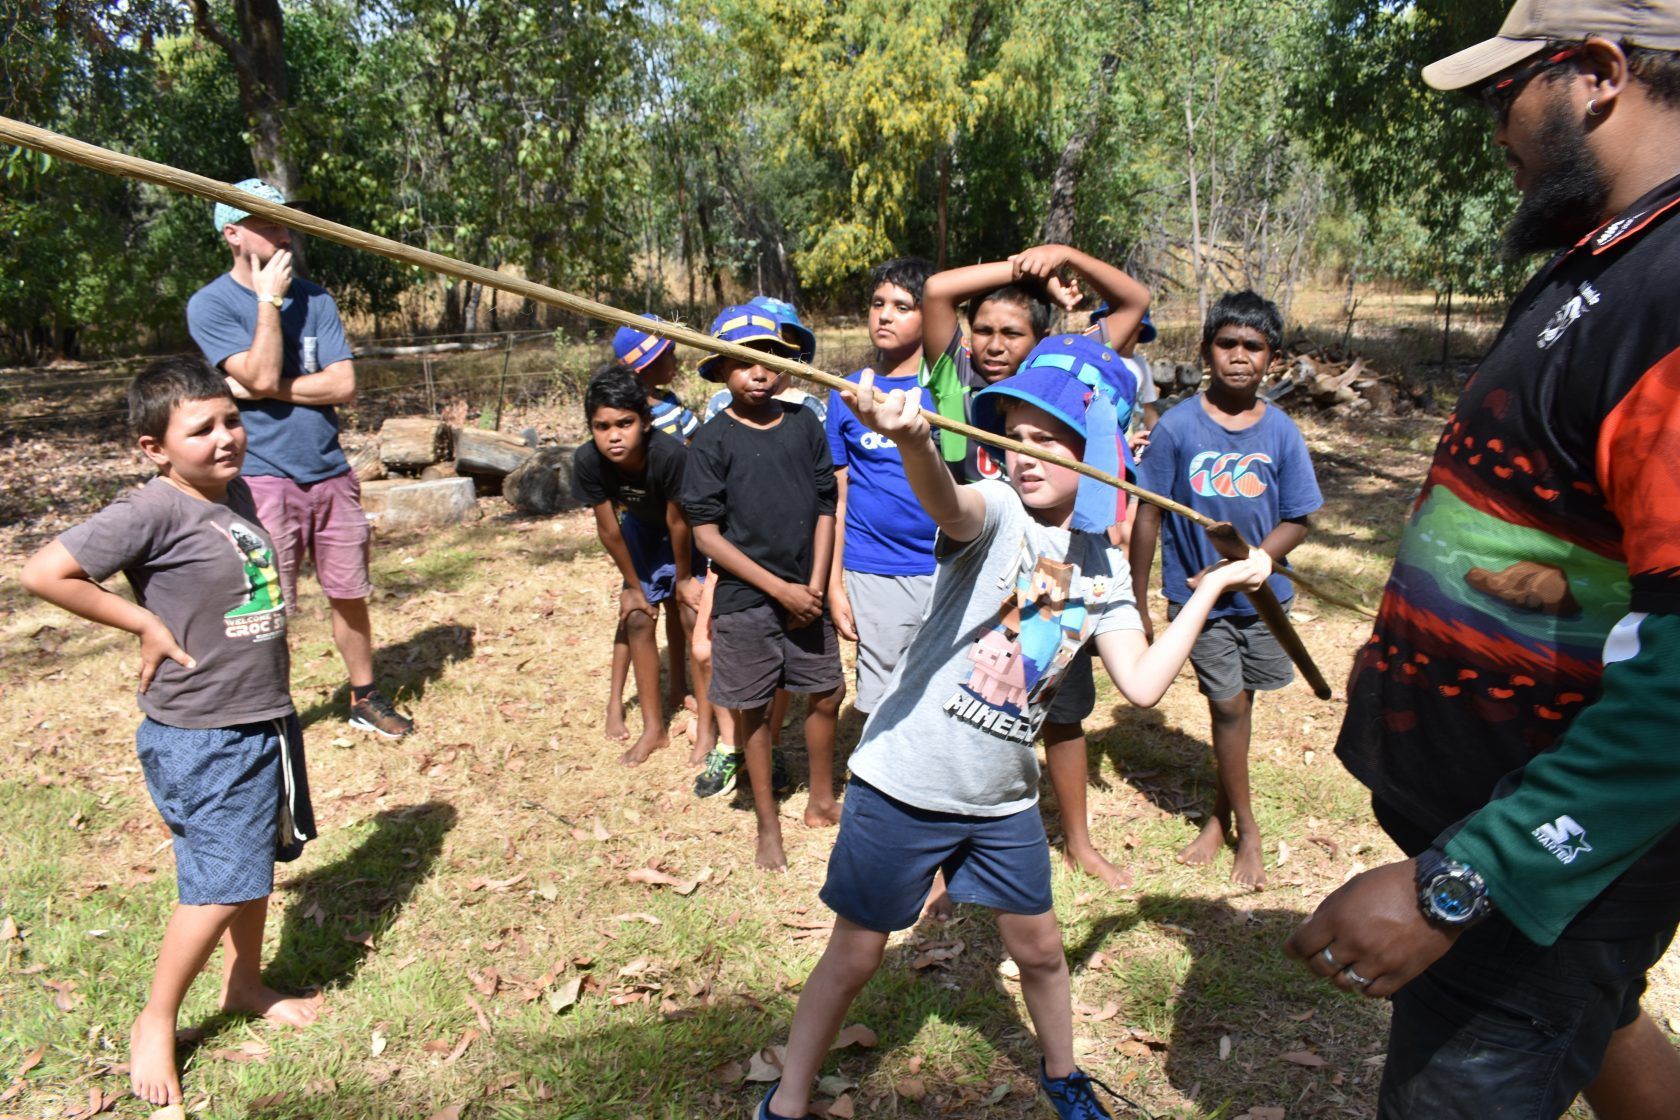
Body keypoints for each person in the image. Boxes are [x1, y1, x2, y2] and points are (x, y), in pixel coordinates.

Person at [1284, 9, 1680, 1118]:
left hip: (1534, 863)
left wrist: (1464, 881)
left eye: (1501, 94)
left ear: (1599, 74)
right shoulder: (1611, 257)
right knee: (1594, 1017)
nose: (1489, 129)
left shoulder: (1670, 293)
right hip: (1509, 834)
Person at [758, 340, 1272, 1120]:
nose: (1022, 456)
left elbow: (1140, 683)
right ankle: (788, 1098)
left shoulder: (1099, 570)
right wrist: (913, 438)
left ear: (1097, 452)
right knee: (857, 953)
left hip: (1001, 801)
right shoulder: (997, 514)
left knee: (1038, 949)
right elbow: (949, 501)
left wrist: (1219, 584)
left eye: (1047, 440)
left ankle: (1063, 1077)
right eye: (1013, 437)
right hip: (907, 782)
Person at [20, 357, 321, 1108]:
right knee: (219, 885)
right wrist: (143, 620)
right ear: (153, 448)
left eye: (231, 420)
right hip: (205, 734)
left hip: (259, 716)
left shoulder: (235, 488)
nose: (226, 438)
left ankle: (244, 984)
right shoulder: (153, 508)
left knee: (252, 862)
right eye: (201, 430)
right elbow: (44, 572)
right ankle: (155, 1020)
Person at [922, 245, 1151, 890]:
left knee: (1055, 701)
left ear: (1041, 340)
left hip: (1054, 563)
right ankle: (941, 859)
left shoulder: (1067, 375)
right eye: (984, 331)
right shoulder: (961, 374)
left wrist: (1067, 258)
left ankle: (1076, 840)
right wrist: (1017, 268)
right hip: (979, 555)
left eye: (1012, 332)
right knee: (965, 700)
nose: (995, 344)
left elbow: (1133, 304)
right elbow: (939, 289)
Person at [185, 179, 412, 738]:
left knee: (349, 591)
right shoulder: (211, 304)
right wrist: (266, 303)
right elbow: (259, 371)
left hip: (330, 471)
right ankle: (266, 710)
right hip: (261, 476)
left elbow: (343, 385)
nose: (284, 230)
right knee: (264, 608)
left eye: (285, 218)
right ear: (232, 233)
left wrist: (260, 389)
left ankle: (364, 696)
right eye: (268, 221)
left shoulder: (316, 298)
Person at [1130, 290, 1321, 890]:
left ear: (1273, 358)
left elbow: (1299, 516)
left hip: (1264, 601)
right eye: (1227, 343)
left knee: (1242, 710)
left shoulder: (1282, 433)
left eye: (1253, 346)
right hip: (1200, 603)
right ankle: (1246, 828)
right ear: (1207, 350)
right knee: (1228, 705)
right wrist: (1137, 599)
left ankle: (1216, 813)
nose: (1240, 356)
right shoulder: (1178, 428)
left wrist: (1264, 558)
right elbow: (1148, 516)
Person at [681, 305, 844, 870]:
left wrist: (815, 587)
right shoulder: (711, 441)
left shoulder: (805, 425)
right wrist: (781, 590)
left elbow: (827, 505)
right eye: (744, 362)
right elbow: (706, 536)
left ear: (788, 368)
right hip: (747, 600)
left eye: (771, 359)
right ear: (723, 370)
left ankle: (822, 800)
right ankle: (766, 823)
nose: (759, 372)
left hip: (809, 594)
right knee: (752, 707)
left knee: (825, 693)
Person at [571, 364, 708, 766]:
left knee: (688, 611)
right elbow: (609, 529)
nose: (613, 436)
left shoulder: (669, 455)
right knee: (635, 617)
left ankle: (705, 719)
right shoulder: (588, 461)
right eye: (601, 426)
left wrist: (683, 577)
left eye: (625, 423)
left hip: (684, 532)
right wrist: (633, 584)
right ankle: (654, 728)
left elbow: (678, 521)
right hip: (638, 532)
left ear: (645, 422)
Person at [826, 257, 939, 718]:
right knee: (883, 697)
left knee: (942, 687)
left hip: (944, 565)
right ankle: (880, 785)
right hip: (875, 567)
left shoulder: (949, 394)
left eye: (902, 305)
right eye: (877, 303)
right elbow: (837, 495)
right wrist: (835, 583)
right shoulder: (846, 393)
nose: (885, 315)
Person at [604, 319, 705, 747]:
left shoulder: (672, 404)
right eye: (668, 355)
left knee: (682, 605)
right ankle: (615, 703)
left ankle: (679, 686)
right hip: (642, 527)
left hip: (679, 525)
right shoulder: (624, 418)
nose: (676, 360)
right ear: (646, 366)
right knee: (636, 612)